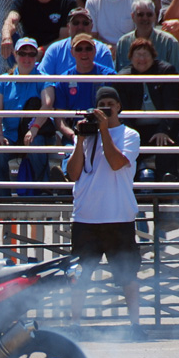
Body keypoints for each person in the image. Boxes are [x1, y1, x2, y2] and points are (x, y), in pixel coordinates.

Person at [62, 85, 141, 333]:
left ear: (119, 107)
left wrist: (104, 130)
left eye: (111, 105)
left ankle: (135, 325)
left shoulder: (130, 135)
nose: (106, 109)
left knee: (127, 276)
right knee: (80, 276)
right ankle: (75, 324)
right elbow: (72, 173)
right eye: (102, 105)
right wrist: (81, 139)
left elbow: (117, 163)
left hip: (118, 216)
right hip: (86, 217)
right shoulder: (84, 135)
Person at [0, 38, 54, 196]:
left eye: (31, 54)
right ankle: (3, 196)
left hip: (36, 133)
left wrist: (34, 128)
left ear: (37, 56)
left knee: (36, 143)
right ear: (15, 55)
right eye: (22, 53)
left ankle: (42, 192)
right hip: (10, 135)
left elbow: (47, 103)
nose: (27, 58)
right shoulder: (4, 80)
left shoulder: (43, 77)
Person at [115, 38, 179, 180]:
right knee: (129, 144)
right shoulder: (123, 77)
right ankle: (134, 187)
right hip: (136, 129)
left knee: (166, 143)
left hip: (162, 127)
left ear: (153, 56)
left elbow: (172, 106)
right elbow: (122, 112)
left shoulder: (166, 71)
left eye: (145, 54)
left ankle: (167, 186)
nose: (142, 59)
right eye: (138, 55)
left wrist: (163, 130)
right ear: (130, 57)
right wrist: (131, 133)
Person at [42, 33, 118, 145]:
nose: (84, 53)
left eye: (88, 48)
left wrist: (106, 132)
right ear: (72, 52)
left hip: (105, 132)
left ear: (94, 51)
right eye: (79, 49)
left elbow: (117, 111)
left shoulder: (109, 76)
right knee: (69, 162)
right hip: (75, 134)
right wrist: (73, 136)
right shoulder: (64, 80)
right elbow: (60, 120)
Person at [0, 0, 78, 58]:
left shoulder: (67, 2)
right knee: (9, 36)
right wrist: (6, 38)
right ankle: (15, 70)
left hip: (56, 53)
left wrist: (42, 51)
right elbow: (11, 20)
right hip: (28, 50)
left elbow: (64, 38)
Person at [36, 7, 114, 75]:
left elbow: (109, 83)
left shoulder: (102, 51)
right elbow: (43, 80)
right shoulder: (55, 50)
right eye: (76, 23)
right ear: (68, 27)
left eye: (85, 23)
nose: (80, 27)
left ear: (92, 26)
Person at [114, 0, 179, 72]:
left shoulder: (170, 42)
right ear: (133, 16)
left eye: (149, 14)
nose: (145, 18)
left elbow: (176, 76)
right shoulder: (123, 43)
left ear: (154, 16)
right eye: (140, 14)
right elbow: (118, 76)